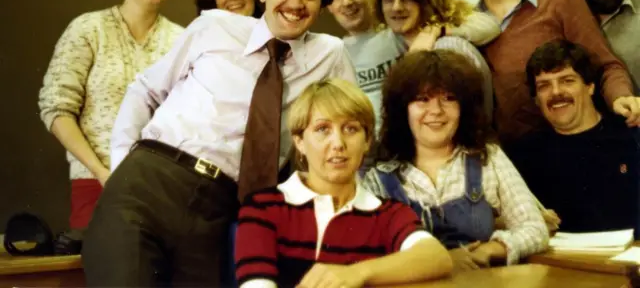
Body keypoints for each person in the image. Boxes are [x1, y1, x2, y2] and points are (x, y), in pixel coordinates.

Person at [81, 0, 357, 287]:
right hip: (152, 181)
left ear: (322, 4)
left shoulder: (329, 55)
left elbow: (351, 125)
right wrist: (120, 167)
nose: (295, 3)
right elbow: (146, 90)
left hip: (220, 210)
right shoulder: (214, 27)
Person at [448, 0, 640, 145]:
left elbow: (606, 65)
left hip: (574, 147)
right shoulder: (466, 29)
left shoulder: (561, 1)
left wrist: (621, 97)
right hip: (511, 160)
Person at [235, 79, 453, 287]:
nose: (338, 143)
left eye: (351, 129)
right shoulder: (263, 207)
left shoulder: (388, 213)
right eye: (323, 129)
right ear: (299, 141)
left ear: (367, 141)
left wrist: (355, 273)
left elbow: (436, 257)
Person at [38, 0, 183, 230]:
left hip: (162, 189)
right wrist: (101, 172)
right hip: (95, 183)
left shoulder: (181, 41)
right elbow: (56, 108)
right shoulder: (88, 29)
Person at [362, 50, 548, 271]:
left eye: (449, 99)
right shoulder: (377, 180)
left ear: (465, 108)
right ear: (403, 110)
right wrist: (442, 261)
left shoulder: (488, 158)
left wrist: (489, 250)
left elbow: (534, 228)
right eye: (422, 100)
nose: (436, 111)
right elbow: (369, 255)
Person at [327, 0, 498, 130]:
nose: (347, 2)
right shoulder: (334, 56)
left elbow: (488, 25)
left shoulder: (403, 35)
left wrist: (438, 31)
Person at [508, 40, 640, 235]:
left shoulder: (630, 136)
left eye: (567, 81)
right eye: (544, 86)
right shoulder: (524, 157)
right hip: (563, 262)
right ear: (536, 99)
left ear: (590, 86)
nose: (556, 92)